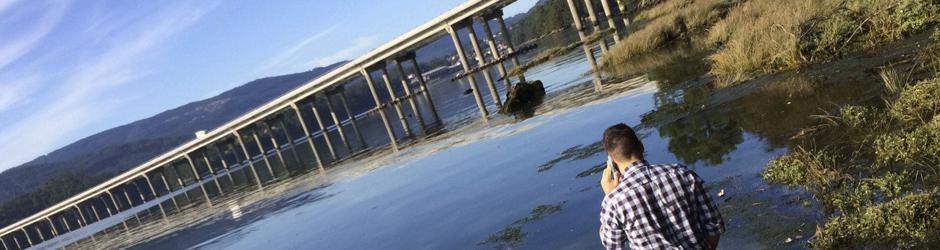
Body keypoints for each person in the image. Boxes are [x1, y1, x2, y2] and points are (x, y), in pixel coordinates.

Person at [598, 123, 724, 250]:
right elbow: (714, 224)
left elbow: (612, 245)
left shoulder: (614, 201)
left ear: (612, 161)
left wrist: (609, 195)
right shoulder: (682, 173)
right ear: (641, 146)